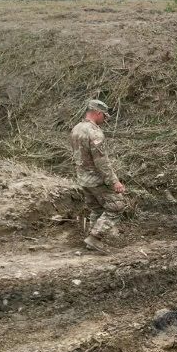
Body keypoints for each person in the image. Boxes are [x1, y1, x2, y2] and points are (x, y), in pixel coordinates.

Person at [70, 99, 126, 254]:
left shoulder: (76, 129)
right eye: (104, 116)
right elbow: (101, 161)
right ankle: (95, 238)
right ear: (98, 113)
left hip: (83, 178)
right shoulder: (94, 132)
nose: (105, 120)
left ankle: (91, 241)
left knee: (97, 209)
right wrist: (114, 181)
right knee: (117, 206)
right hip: (97, 179)